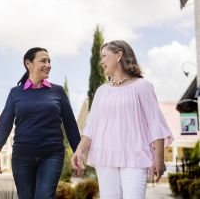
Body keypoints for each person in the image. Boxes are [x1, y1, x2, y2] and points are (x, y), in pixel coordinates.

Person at [71, 40, 174, 199]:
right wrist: (79, 151)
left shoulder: (142, 86)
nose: (101, 61)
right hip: (105, 157)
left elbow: (155, 122)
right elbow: (91, 127)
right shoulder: (101, 91)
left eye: (104, 56)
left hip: (135, 156)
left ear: (119, 55)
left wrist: (159, 159)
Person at [0, 47, 81, 199]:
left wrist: (78, 153)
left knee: (44, 196)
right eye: (43, 61)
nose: (48, 64)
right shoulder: (16, 93)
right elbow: (5, 122)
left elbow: (70, 124)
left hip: (52, 155)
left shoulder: (57, 91)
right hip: (22, 156)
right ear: (28, 64)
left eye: (49, 61)